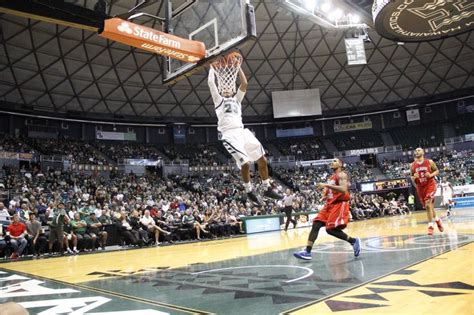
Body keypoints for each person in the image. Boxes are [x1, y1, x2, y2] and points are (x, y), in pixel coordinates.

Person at [208, 56, 282, 205]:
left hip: (243, 132)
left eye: (231, 87)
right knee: (246, 163)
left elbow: (244, 83)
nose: (229, 88)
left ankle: (266, 187)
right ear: (222, 89)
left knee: (262, 159)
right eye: (226, 87)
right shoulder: (219, 100)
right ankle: (249, 191)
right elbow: (211, 82)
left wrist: (237, 67)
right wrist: (211, 68)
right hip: (229, 135)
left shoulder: (237, 100)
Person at [294, 159, 360, 260]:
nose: (332, 162)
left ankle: (353, 241)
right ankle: (307, 252)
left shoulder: (342, 175)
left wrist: (326, 185)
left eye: (334, 161)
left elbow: (343, 189)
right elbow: (332, 189)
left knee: (330, 229)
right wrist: (325, 195)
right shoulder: (331, 177)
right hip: (329, 205)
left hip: (339, 204)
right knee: (316, 224)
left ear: (340, 164)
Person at [410, 148, 443, 235]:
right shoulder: (412, 165)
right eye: (415, 151)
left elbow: (437, 171)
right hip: (420, 187)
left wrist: (431, 175)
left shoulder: (429, 162)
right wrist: (414, 177)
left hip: (430, 185)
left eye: (418, 150)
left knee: (428, 203)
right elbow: (411, 178)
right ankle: (437, 220)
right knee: (429, 207)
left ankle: (430, 226)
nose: (416, 152)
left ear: (423, 152)